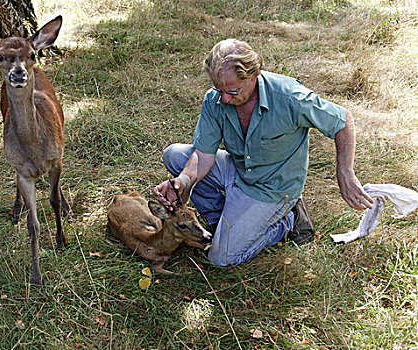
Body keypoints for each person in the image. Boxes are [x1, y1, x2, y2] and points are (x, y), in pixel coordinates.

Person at [153, 39, 374, 267]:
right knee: (175, 156)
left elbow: (342, 121)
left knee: (221, 258)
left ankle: (288, 220)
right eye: (219, 89)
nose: (225, 99)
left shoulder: (289, 96)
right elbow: (204, 154)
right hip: (238, 169)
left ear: (253, 75)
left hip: (272, 189)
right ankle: (221, 222)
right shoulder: (216, 98)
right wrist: (183, 181)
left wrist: (345, 172)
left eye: (232, 91)